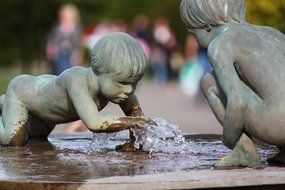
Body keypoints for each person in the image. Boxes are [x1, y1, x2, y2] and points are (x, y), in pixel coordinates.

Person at [0, 32, 153, 149]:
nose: (129, 90)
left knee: (36, 140)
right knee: (14, 141)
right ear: (100, 70)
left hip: (46, 114)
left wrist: (134, 144)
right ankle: (6, 101)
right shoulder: (77, 80)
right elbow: (95, 123)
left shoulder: (120, 89)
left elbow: (138, 119)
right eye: (123, 83)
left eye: (134, 83)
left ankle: (4, 102)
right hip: (22, 93)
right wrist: (134, 122)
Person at [181, 0, 285, 167]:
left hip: (276, 125)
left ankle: (244, 151)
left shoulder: (220, 45)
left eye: (194, 34)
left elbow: (238, 104)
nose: (196, 40)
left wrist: (228, 139)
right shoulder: (271, 33)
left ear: (207, 27)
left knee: (209, 82)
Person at [46, 4, 83, 75]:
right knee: (59, 73)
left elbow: (79, 43)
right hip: (59, 54)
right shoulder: (57, 26)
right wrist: (49, 49)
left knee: (70, 74)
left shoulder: (77, 27)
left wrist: (78, 54)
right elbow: (52, 39)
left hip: (71, 54)